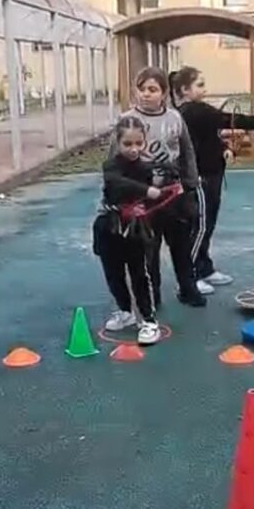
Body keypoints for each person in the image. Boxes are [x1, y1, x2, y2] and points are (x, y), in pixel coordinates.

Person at [169, 67, 254, 293]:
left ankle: (204, 268)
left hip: (213, 174)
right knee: (200, 227)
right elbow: (227, 119)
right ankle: (188, 277)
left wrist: (223, 148)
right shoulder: (193, 110)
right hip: (199, 178)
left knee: (207, 225)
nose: (205, 89)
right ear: (184, 90)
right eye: (199, 85)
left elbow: (209, 136)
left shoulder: (198, 112)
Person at [115, 66, 206, 308]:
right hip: (142, 196)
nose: (146, 94)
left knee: (181, 246)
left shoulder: (174, 118)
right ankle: (151, 295)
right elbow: (115, 159)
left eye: (152, 89)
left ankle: (188, 289)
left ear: (164, 93)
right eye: (142, 89)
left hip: (173, 193)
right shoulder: (127, 120)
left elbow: (187, 151)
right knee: (148, 250)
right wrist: (119, 195)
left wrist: (190, 184)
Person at [93, 115, 161, 345]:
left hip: (134, 229)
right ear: (117, 142)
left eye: (139, 143)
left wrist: (150, 194)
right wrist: (146, 190)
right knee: (113, 273)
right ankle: (125, 312)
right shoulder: (110, 166)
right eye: (128, 144)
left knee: (139, 273)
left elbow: (149, 199)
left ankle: (149, 320)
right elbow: (116, 183)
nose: (134, 149)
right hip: (109, 226)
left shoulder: (145, 168)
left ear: (145, 142)